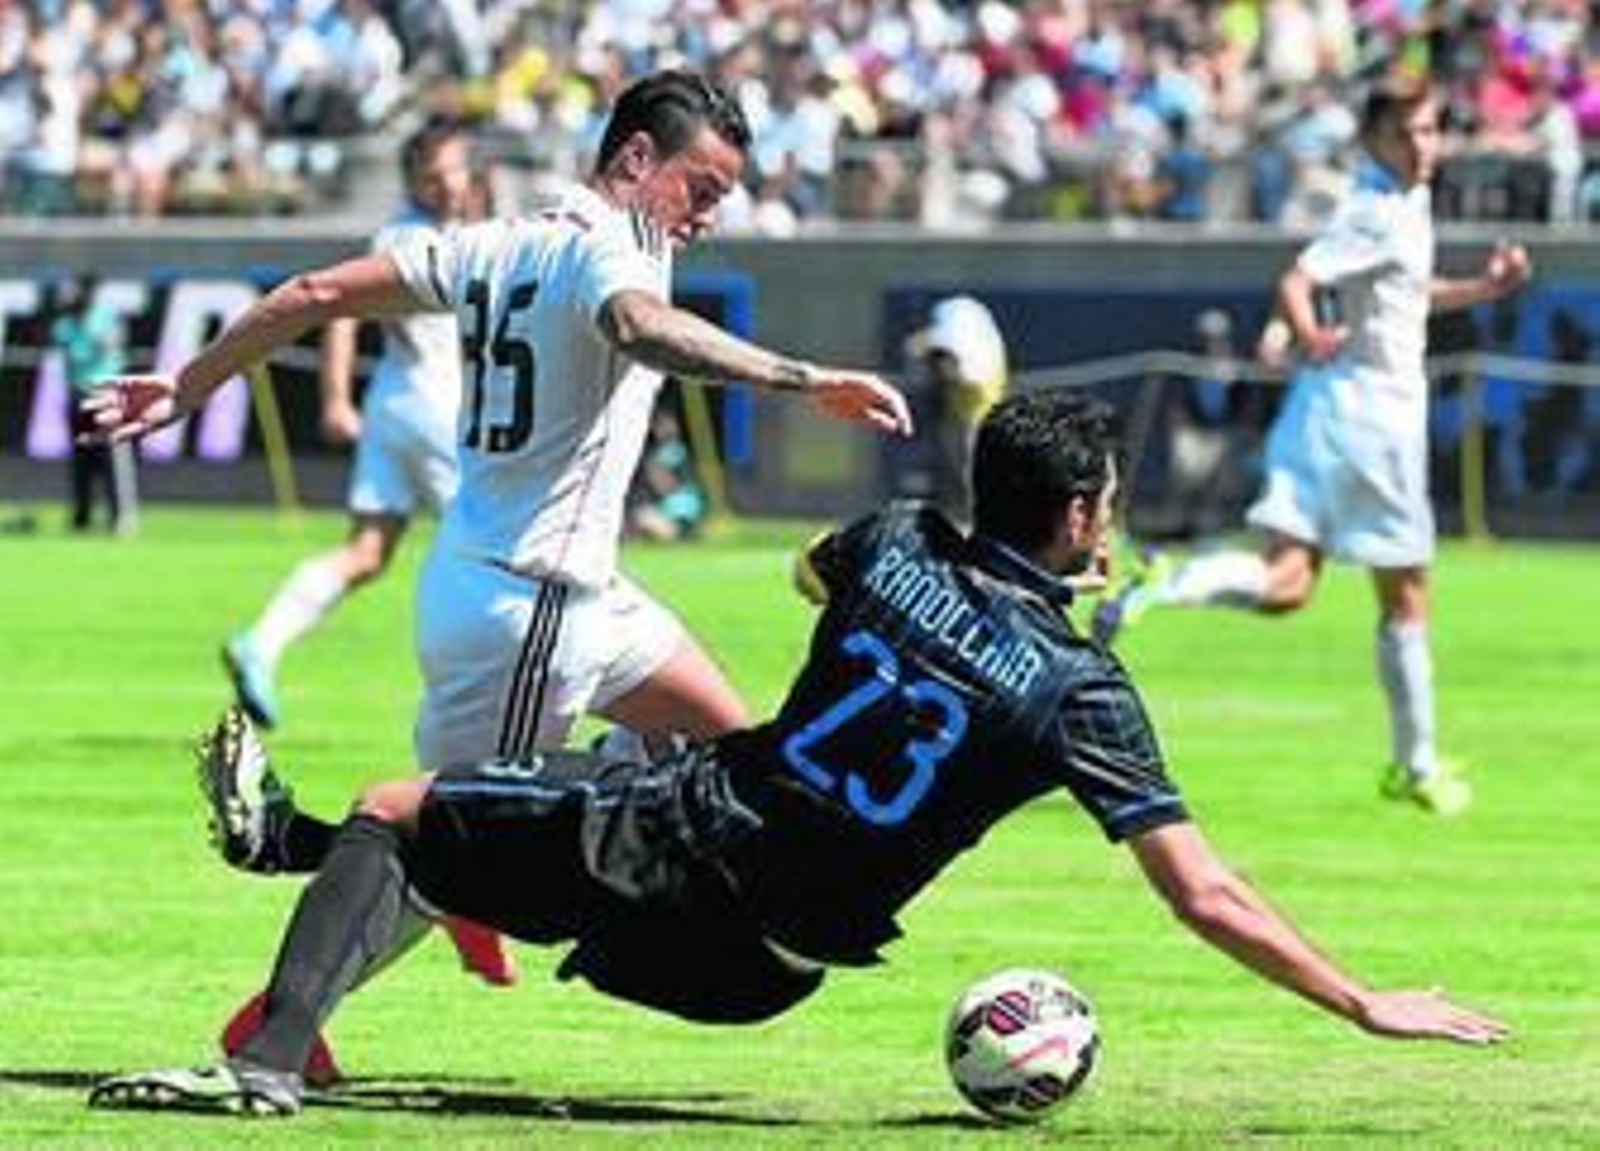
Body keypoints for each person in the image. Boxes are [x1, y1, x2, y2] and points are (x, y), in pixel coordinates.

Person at [87, 391, 1506, 1118]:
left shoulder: (889, 539)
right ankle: (289, 852)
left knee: (415, 803)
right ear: (1080, 516)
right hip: (766, 968)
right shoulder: (1085, 690)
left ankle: (268, 1050)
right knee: (555, 776)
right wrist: (1362, 997)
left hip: (686, 847)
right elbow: (1204, 892)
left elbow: (808, 583)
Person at [80, 68, 911, 1069]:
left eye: (722, 196)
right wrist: (804, 377)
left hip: (578, 596)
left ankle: (380, 835)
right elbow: (638, 327)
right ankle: (277, 996)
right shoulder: (610, 250)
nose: (707, 214)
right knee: (454, 851)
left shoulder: (493, 241)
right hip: (530, 610)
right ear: (636, 159)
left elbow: (311, 294)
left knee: (738, 759)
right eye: (700, 186)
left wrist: (186, 383)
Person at [1093, 75, 1533, 816]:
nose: (1425, 145)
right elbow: (1297, 276)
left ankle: (1170, 581)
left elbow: (1404, 291)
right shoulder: (1376, 207)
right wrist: (1307, 329)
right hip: (1371, 418)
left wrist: (1484, 288)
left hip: (1326, 412)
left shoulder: (1404, 200)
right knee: (1407, 592)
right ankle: (1417, 764)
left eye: (1431, 130)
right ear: (1377, 140)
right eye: (1410, 133)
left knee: (1288, 585)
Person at [222, 120, 477, 732]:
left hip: (394, 400)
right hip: (432, 406)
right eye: (436, 175)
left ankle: (261, 641)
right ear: (415, 179)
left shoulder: (439, 231)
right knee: (481, 549)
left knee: (366, 552)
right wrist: (334, 394)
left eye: (456, 171)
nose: (449, 185)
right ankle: (473, 694)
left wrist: (340, 400)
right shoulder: (410, 238)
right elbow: (341, 312)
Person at [906, 295, 1008, 522]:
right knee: (957, 468)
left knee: (972, 469)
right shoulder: (972, 339)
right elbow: (918, 347)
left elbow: (968, 375)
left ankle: (980, 517)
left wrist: (944, 369)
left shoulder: (978, 349)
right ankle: (962, 515)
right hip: (957, 412)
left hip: (977, 414)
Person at [54, 277, 136, 536]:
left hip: (105, 397)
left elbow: (107, 348)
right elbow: (70, 352)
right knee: (80, 461)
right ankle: (82, 517)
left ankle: (121, 518)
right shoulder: (66, 322)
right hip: (77, 397)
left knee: (112, 459)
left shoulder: (105, 317)